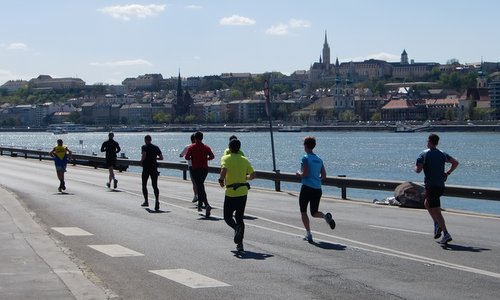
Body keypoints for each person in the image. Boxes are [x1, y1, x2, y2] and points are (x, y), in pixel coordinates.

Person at [415, 133, 459, 245]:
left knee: (436, 210)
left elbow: (418, 170)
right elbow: (455, 162)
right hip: (440, 185)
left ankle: (445, 232)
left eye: (427, 141)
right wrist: (447, 173)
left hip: (431, 185)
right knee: (427, 203)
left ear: (429, 141)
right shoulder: (442, 153)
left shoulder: (423, 154)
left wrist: (415, 168)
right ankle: (436, 224)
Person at [296, 136, 335, 243]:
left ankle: (309, 234)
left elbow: (305, 173)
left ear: (305, 146)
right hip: (317, 188)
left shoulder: (305, 158)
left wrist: (299, 174)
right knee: (314, 212)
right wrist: (316, 179)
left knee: (303, 211)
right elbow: (324, 175)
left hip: (307, 188)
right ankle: (325, 216)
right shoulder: (319, 159)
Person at [219, 138, 256, 252]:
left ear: (229, 148)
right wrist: (245, 178)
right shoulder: (245, 160)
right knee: (239, 217)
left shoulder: (226, 158)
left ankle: (236, 228)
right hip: (243, 192)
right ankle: (240, 244)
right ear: (239, 148)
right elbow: (253, 175)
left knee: (227, 216)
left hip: (230, 192)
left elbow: (224, 170)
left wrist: (221, 180)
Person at [185, 131, 215, 217]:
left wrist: (193, 158)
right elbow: (212, 156)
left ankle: (206, 205)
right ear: (202, 138)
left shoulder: (191, 147)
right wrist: (206, 159)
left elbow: (186, 157)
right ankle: (200, 205)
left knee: (199, 186)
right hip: (204, 169)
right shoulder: (206, 147)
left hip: (195, 169)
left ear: (195, 138)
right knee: (200, 186)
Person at [140, 135, 163, 211]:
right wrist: (154, 157)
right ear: (151, 140)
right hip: (154, 168)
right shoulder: (156, 147)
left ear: (145, 140)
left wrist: (141, 161)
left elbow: (144, 155)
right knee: (155, 185)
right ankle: (157, 200)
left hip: (146, 168)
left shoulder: (144, 147)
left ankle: (146, 201)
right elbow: (161, 158)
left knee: (144, 184)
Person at [179, 133, 198, 203]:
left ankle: (196, 195)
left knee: (194, 182)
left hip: (191, 166)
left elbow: (181, 155)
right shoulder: (201, 146)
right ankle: (200, 195)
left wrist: (182, 155)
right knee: (199, 182)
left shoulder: (188, 147)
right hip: (200, 166)